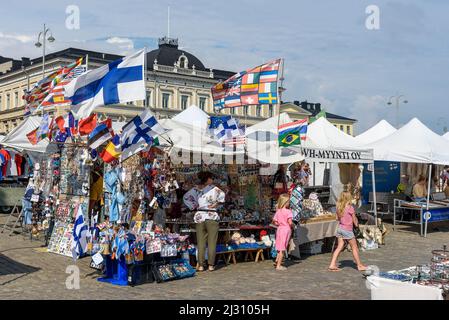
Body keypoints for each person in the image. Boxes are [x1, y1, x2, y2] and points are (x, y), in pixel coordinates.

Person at [183, 171, 225, 272]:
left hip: (200, 216)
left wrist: (194, 206)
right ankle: (211, 265)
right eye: (211, 178)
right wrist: (216, 205)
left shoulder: (195, 189)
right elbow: (222, 197)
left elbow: (186, 198)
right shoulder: (214, 189)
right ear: (208, 179)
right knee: (211, 242)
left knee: (201, 242)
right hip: (211, 216)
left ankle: (201, 265)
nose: (212, 180)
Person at [328, 190, 367, 272]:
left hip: (340, 228)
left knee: (339, 246)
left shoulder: (339, 207)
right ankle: (359, 265)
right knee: (354, 248)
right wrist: (357, 225)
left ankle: (332, 264)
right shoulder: (350, 207)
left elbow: (337, 218)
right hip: (347, 230)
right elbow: (355, 220)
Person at [272, 194, 294, 271]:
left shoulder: (278, 211)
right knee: (282, 248)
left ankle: (277, 260)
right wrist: (293, 226)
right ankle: (279, 265)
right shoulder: (288, 212)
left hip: (279, 229)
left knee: (279, 246)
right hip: (286, 229)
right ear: (286, 202)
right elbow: (290, 222)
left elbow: (275, 222)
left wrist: (280, 223)